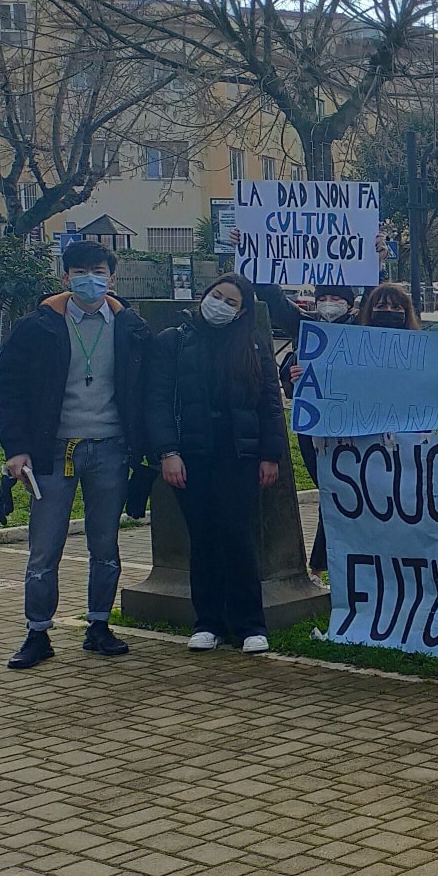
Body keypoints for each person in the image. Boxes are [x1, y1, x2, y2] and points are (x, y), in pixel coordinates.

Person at [0, 240, 154, 668]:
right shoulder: (38, 326)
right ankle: (38, 632)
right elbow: (6, 390)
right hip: (52, 452)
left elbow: (149, 384)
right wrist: (16, 449)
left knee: (106, 545)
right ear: (65, 276)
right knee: (44, 549)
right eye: (80, 270)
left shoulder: (129, 327)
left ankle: (99, 625)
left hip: (110, 448)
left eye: (99, 270)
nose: (90, 278)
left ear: (112, 277)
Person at [146, 274, 289, 655]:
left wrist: (270, 455)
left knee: (238, 537)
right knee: (204, 539)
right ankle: (207, 621)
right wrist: (167, 452)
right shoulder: (173, 342)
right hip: (190, 457)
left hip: (238, 457)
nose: (220, 305)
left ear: (242, 311)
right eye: (217, 296)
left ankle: (250, 624)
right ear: (203, 295)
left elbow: (270, 405)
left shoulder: (254, 346)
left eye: (231, 302)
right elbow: (158, 401)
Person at [277, 284, 357, 573]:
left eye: (336, 298)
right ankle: (324, 566)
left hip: (355, 427)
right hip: (315, 429)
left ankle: (324, 565)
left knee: (343, 493)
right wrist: (291, 374)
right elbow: (275, 301)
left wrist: (377, 263)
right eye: (322, 298)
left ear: (350, 304)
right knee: (330, 490)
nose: (328, 303)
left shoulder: (363, 327)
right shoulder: (305, 330)